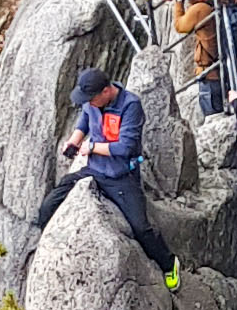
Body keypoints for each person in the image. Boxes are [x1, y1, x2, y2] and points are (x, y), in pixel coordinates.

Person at [26, 61, 174, 280]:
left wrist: (92, 147)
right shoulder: (93, 103)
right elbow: (84, 121)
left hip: (120, 176)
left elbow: (125, 147)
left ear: (106, 91)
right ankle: (47, 243)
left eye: (91, 99)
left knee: (141, 228)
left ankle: (169, 265)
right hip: (93, 169)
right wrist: (74, 141)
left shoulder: (130, 105)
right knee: (50, 203)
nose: (88, 103)